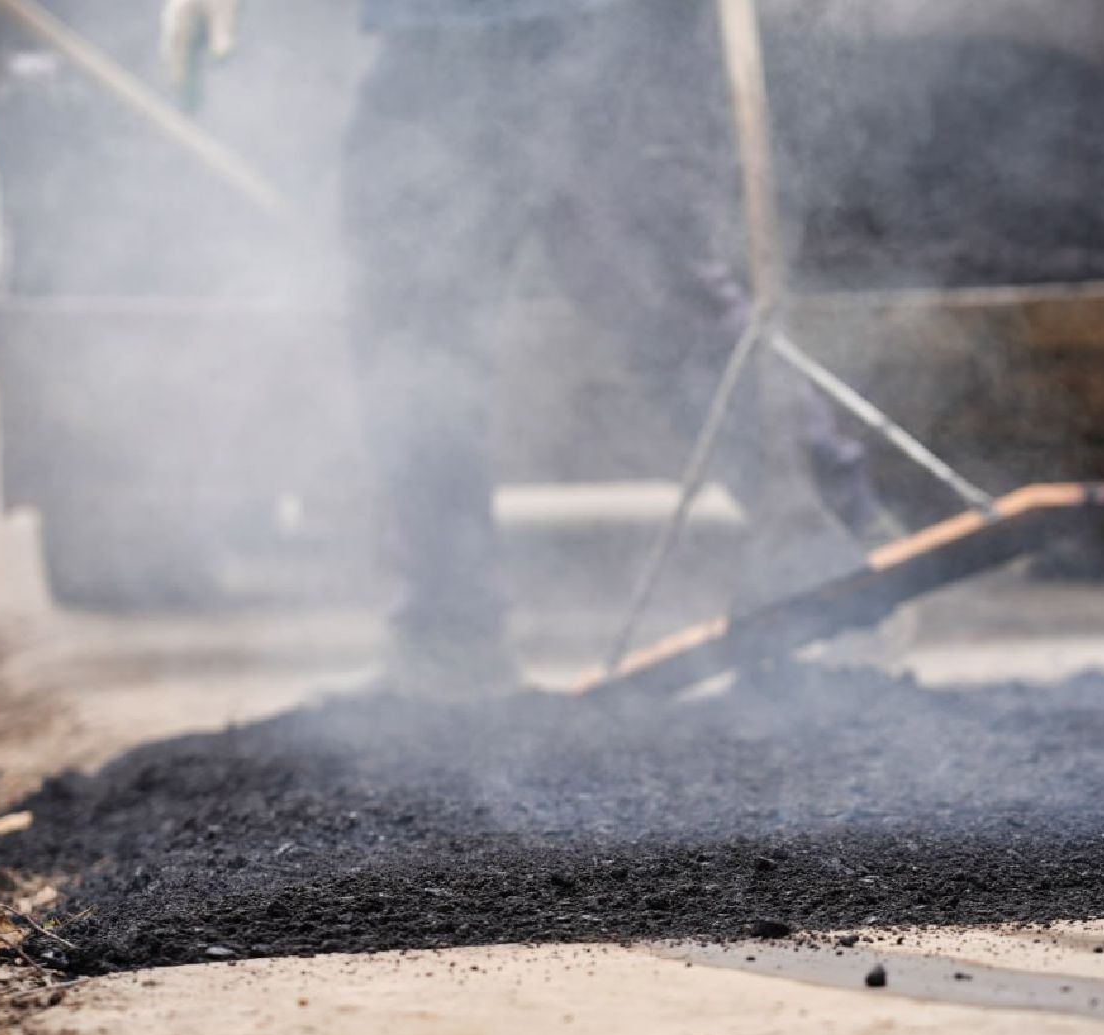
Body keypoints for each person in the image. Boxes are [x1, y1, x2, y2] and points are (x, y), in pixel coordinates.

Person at [161, 0, 892, 696]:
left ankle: (836, 548)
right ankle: (448, 638)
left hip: (607, 29)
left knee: (655, 295)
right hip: (435, 34)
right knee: (410, 343)